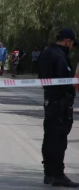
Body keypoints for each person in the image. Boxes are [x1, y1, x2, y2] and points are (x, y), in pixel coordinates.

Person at [38, 28, 79, 187]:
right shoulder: (59, 56)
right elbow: (65, 81)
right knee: (58, 140)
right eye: (72, 45)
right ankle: (58, 175)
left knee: (49, 137)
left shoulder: (46, 53)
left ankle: (48, 173)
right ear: (68, 41)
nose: (71, 48)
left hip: (50, 101)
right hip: (60, 104)